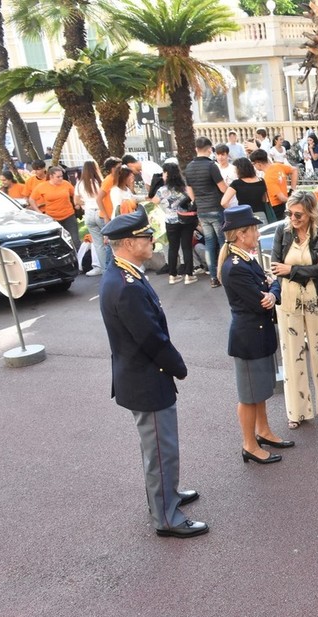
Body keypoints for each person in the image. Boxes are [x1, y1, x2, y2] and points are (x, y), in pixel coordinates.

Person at [98, 209, 207, 538]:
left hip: (141, 376)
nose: (152, 242)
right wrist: (178, 367)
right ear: (130, 243)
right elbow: (150, 338)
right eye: (147, 237)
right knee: (161, 451)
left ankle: (166, 496)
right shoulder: (126, 284)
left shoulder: (123, 273)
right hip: (147, 379)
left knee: (158, 448)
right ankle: (167, 517)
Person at [219, 205, 292, 465]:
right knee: (249, 397)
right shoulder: (235, 266)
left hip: (257, 334)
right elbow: (260, 300)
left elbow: (272, 285)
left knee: (259, 391)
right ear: (241, 234)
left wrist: (272, 292)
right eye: (254, 230)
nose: (258, 234)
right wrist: (271, 292)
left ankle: (264, 431)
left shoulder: (246, 259)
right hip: (248, 338)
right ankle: (249, 445)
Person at [269, 190, 318, 430]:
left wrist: (291, 270)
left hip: (317, 298)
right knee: (292, 356)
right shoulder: (282, 231)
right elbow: (276, 267)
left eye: (298, 214)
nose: (292, 218)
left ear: (310, 213)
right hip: (289, 300)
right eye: (289, 213)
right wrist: (308, 269)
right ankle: (296, 412)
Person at [185, 137, 228, 288]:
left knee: (209, 243)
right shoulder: (211, 166)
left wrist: (196, 202)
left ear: (196, 149)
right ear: (209, 149)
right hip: (215, 208)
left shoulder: (189, 167)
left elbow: (190, 190)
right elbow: (223, 188)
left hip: (202, 211)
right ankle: (224, 275)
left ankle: (213, 277)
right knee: (222, 242)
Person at [152, 162, 198, 285]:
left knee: (173, 248)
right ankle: (189, 275)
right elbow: (193, 199)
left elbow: (154, 202)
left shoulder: (162, 190)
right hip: (185, 219)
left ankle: (173, 275)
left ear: (167, 174)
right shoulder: (185, 188)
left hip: (170, 221)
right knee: (186, 247)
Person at [29, 165, 79, 250]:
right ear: (51, 177)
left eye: (61, 176)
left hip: (69, 216)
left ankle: (79, 256)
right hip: (53, 218)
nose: (61, 178)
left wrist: (76, 203)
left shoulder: (66, 184)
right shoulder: (42, 186)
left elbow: (75, 194)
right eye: (58, 177)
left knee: (75, 240)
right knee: (58, 241)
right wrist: (39, 212)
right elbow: (31, 199)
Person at [250, 148, 298, 220]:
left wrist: (294, 201)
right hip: (285, 202)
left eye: (253, 164)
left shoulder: (268, 178)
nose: (254, 166)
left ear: (259, 164)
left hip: (276, 207)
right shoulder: (277, 166)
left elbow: (281, 198)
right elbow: (294, 170)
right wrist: (292, 189)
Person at [75, 160, 105, 276]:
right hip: (100, 211)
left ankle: (104, 269)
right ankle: (114, 267)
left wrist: (87, 202)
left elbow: (76, 201)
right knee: (109, 241)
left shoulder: (80, 184)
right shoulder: (100, 182)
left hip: (88, 213)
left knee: (98, 243)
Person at [222, 157, 271, 223]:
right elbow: (264, 199)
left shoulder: (236, 183)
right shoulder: (261, 181)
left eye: (235, 169)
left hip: (244, 215)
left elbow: (224, 202)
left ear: (239, 170)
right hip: (261, 214)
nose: (234, 171)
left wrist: (235, 212)